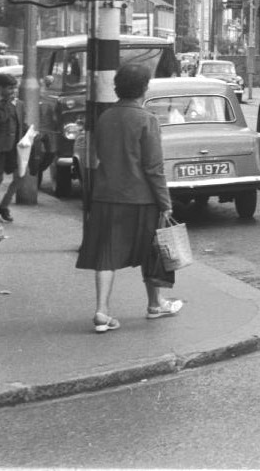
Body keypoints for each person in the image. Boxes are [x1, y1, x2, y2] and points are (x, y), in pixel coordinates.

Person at [75, 63, 184, 333]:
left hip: (106, 196)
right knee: (151, 252)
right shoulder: (147, 120)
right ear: (144, 89)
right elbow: (153, 168)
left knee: (106, 256)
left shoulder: (105, 118)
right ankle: (155, 305)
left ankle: (102, 312)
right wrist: (165, 202)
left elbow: (99, 156)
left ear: (118, 88)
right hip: (141, 199)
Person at [0, 72, 24, 227]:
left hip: (14, 147)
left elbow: (20, 122)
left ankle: (3, 206)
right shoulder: (2, 103)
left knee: (20, 175)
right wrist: (4, 102)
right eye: (9, 88)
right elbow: (0, 118)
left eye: (14, 88)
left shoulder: (18, 104)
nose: (13, 92)